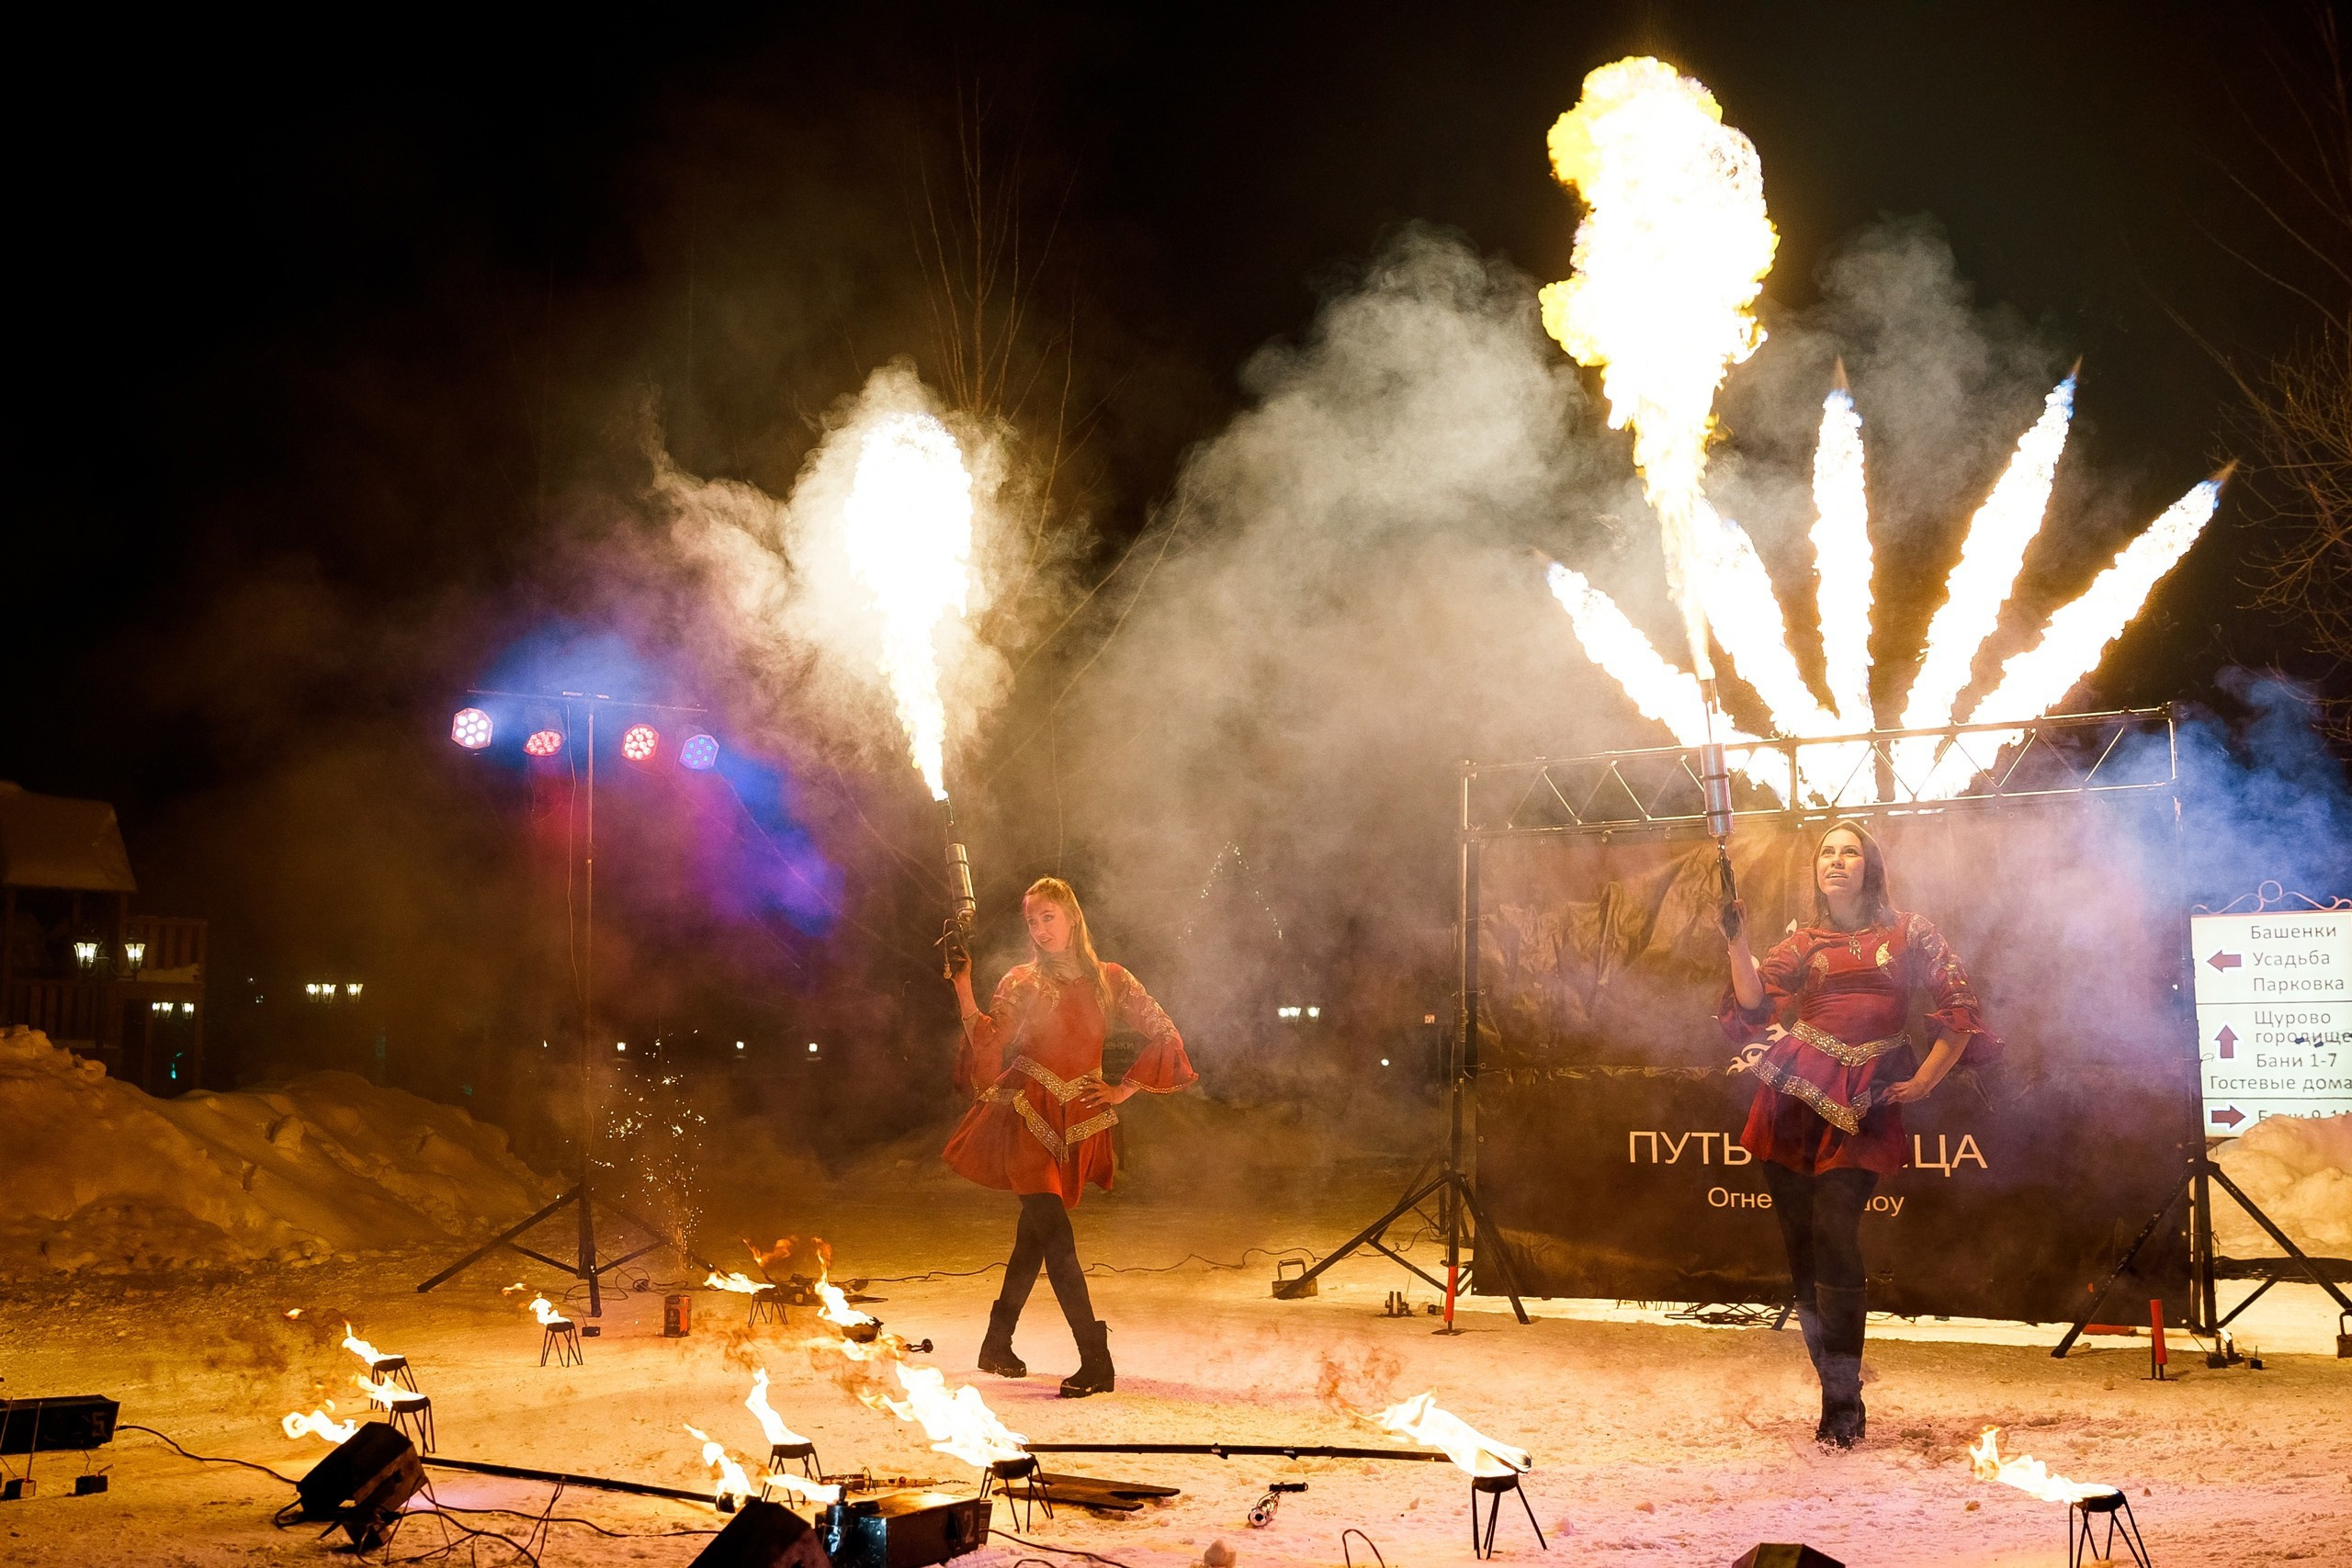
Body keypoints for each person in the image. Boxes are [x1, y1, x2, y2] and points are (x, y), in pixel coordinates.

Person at [1719, 819, 1995, 1449]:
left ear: (1870, 866)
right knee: (1802, 1251)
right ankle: (1833, 1393)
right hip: (1790, 1098)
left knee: (1835, 1233)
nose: (1836, 861)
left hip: (1866, 1102)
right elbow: (1755, 1005)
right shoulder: (1803, 941)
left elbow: (1959, 1005)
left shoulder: (1909, 931)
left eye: (1849, 852)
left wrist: (1925, 1079)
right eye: (1827, 853)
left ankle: (1845, 1403)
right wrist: (1736, 943)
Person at [942, 875, 1195, 1397]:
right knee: (1055, 1235)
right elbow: (989, 1040)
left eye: (1048, 917)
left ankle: (997, 1341)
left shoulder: (1112, 979)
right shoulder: (1021, 981)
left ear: (1072, 917)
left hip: (1079, 1116)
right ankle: (1094, 1357)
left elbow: (1165, 1032)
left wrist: (1124, 1090)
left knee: (1033, 1237)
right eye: (1031, 921)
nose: (1039, 929)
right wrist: (963, 986)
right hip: (1027, 1115)